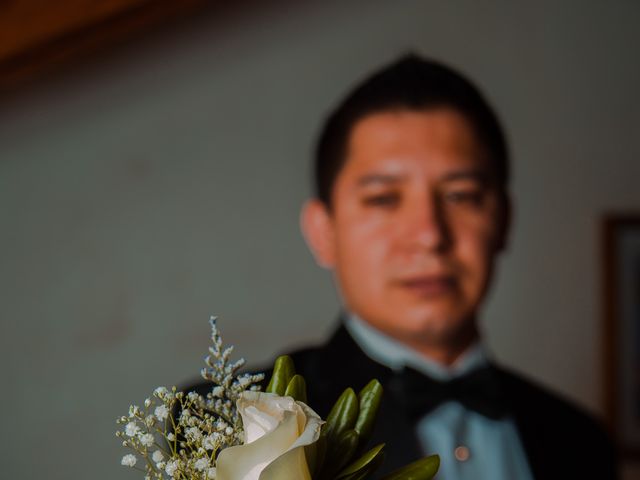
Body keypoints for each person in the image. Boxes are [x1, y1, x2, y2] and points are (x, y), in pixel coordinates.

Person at [185, 54, 618, 479]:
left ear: (503, 220)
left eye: (461, 195)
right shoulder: (222, 423)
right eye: (383, 199)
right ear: (323, 231)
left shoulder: (581, 440)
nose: (429, 235)